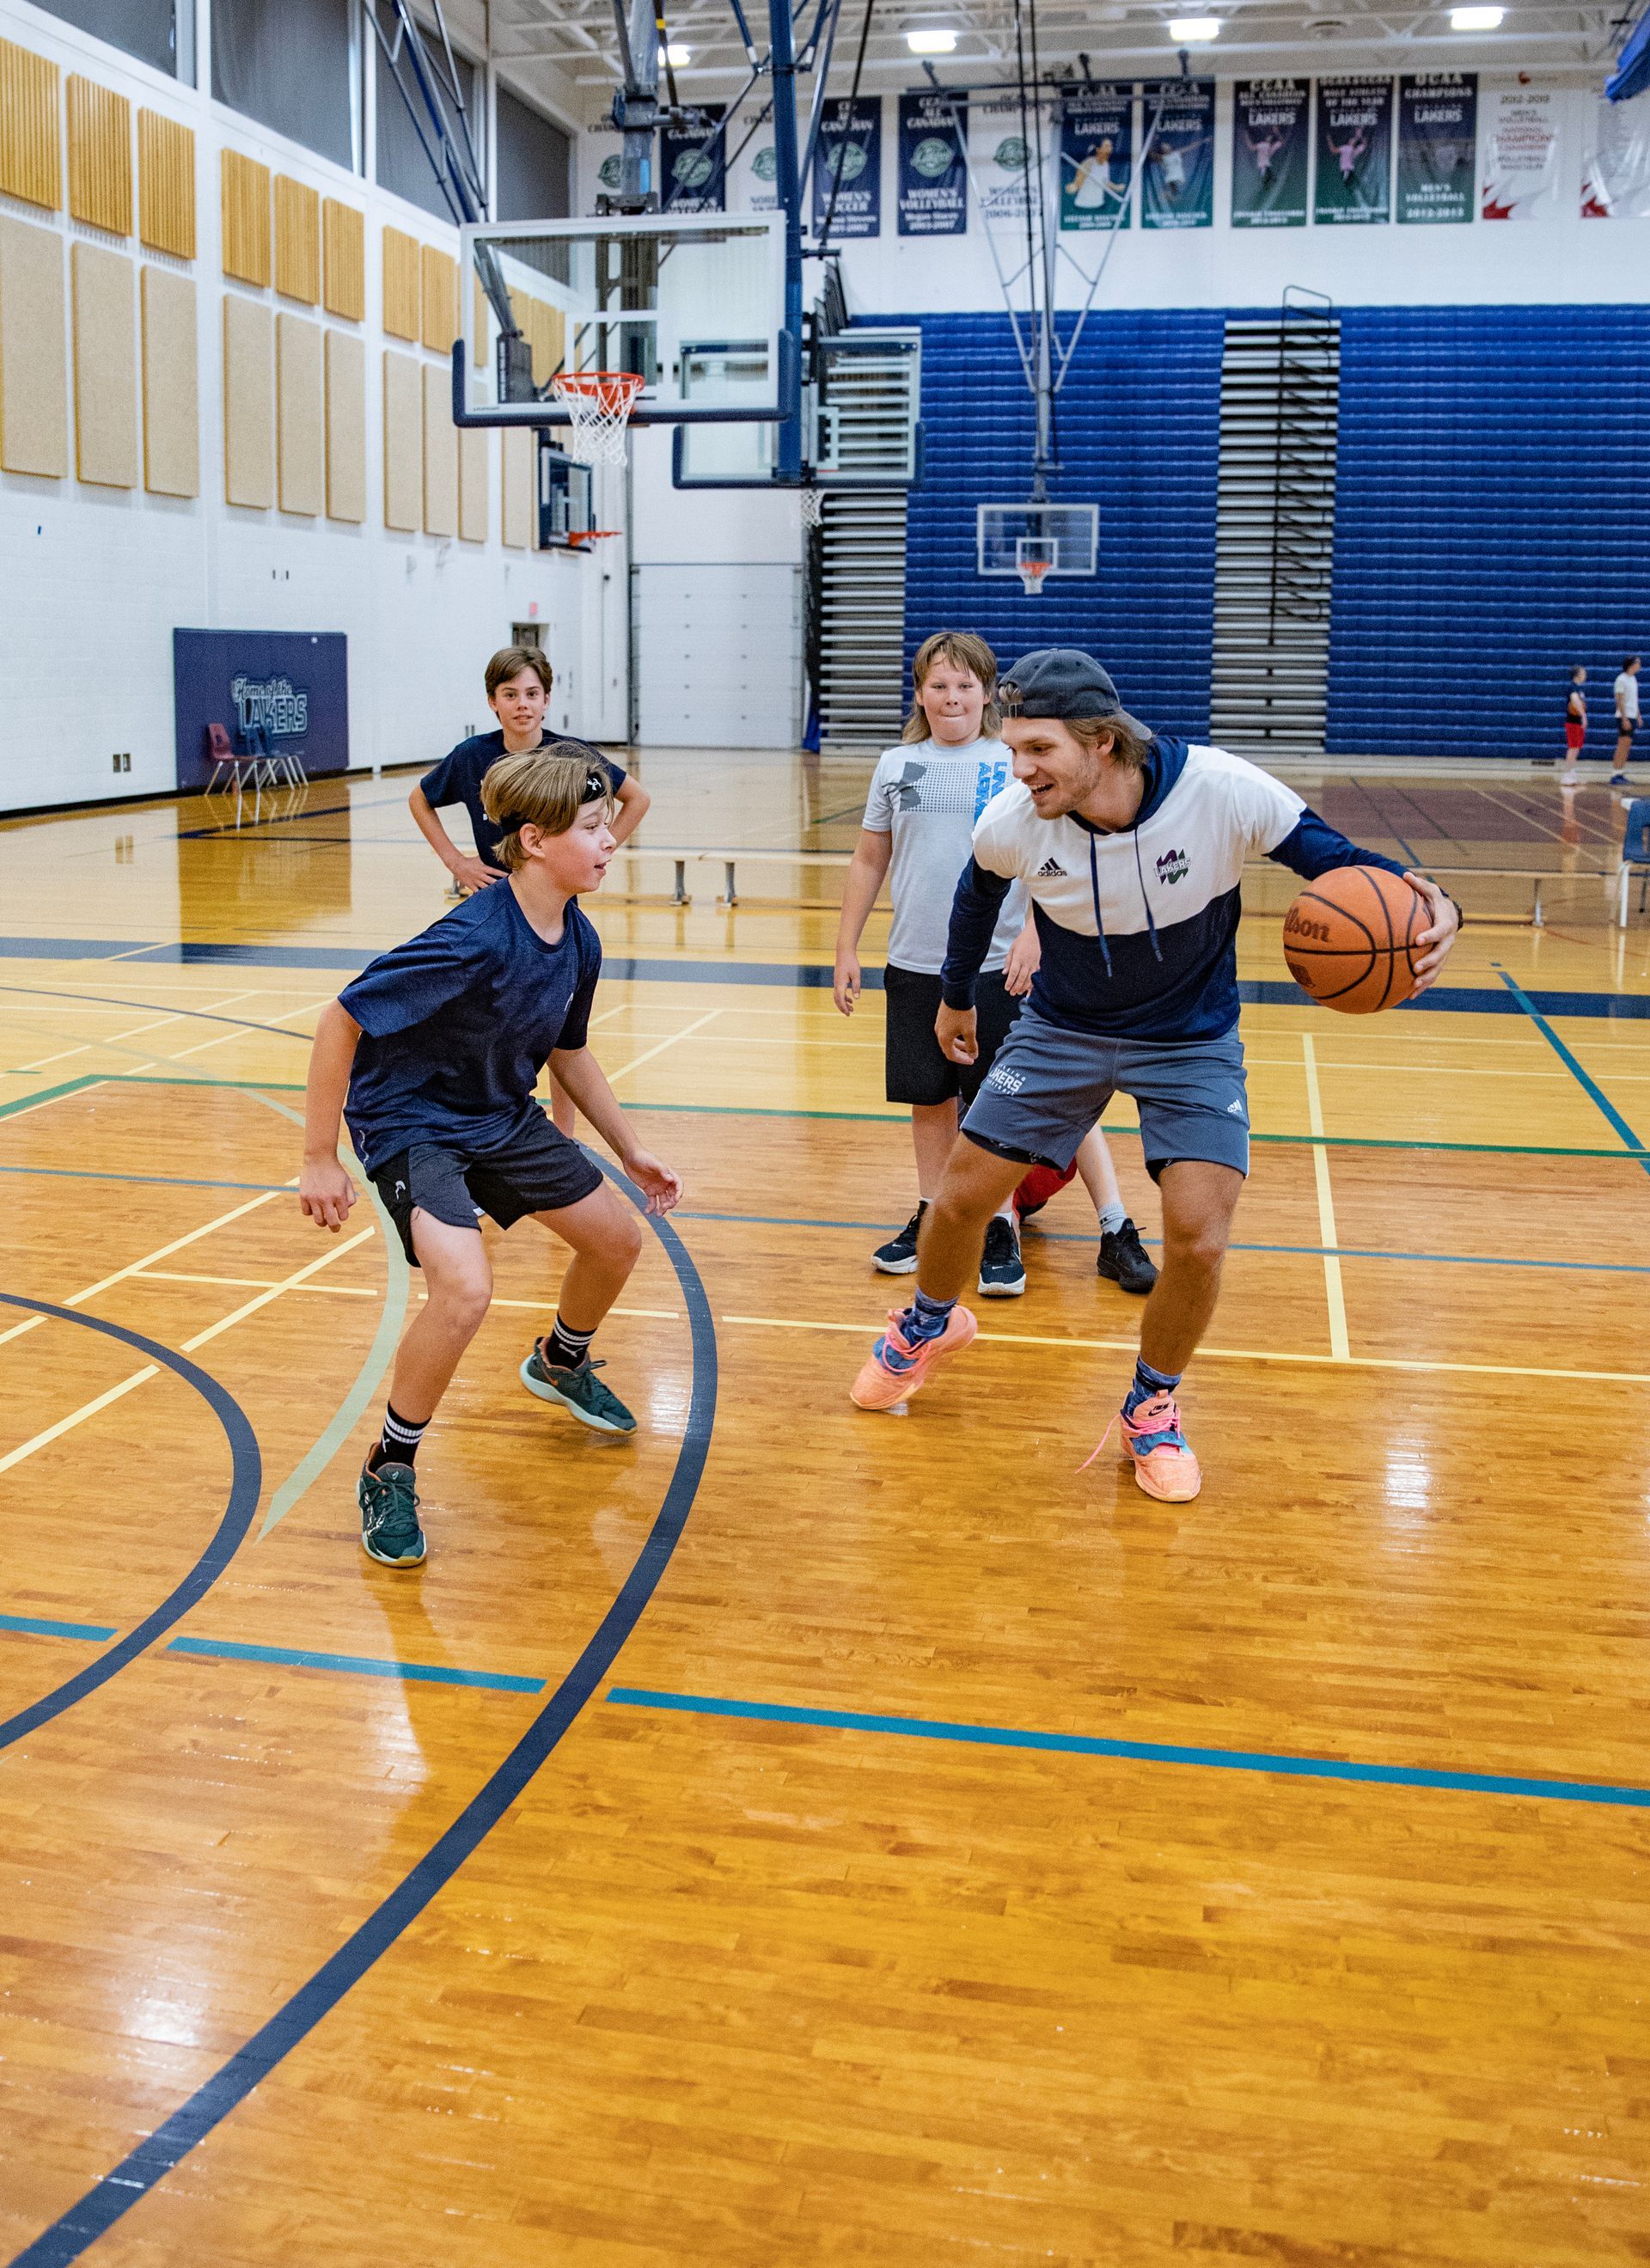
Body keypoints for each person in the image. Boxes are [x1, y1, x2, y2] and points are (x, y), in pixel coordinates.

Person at [849, 648, 1463, 1503]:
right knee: (957, 1199)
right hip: (1064, 1029)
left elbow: (1339, 859)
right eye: (1012, 747)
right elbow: (975, 894)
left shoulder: (1221, 790)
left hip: (1191, 1037)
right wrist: (955, 997)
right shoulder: (1016, 819)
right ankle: (926, 1324)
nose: (1017, 767)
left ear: (1103, 743)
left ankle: (1152, 1404)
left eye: (1037, 750)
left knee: (1199, 1237)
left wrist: (1437, 905)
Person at [300, 748, 682, 1570]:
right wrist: (317, 1156)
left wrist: (633, 1148)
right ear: (538, 841)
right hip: (413, 1125)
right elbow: (341, 1019)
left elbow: (568, 1052)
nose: (612, 839)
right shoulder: (471, 936)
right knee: (467, 1286)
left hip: (499, 1116)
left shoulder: (577, 939)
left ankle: (559, 1360)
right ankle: (389, 1465)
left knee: (618, 1240)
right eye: (592, 828)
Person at [834, 631, 1152, 1299]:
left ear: (988, 693)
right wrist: (846, 946)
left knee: (1009, 1098)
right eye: (939, 685)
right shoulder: (897, 765)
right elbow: (869, 859)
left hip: (1003, 962)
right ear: (920, 693)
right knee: (931, 1097)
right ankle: (933, 1211)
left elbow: (1053, 848)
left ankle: (1006, 1224)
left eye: (966, 685)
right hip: (918, 961)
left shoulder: (1013, 761)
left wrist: (1035, 929)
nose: (952, 697)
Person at [410, 646, 651, 1134]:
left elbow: (637, 798)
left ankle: (563, 1137)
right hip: (496, 910)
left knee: (563, 1032)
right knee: (488, 1023)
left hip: (553, 910)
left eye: (532, 693)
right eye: (510, 694)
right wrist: (457, 862)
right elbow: (420, 798)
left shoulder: (570, 757)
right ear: (492, 702)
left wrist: (596, 849)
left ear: (547, 700)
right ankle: (479, 1123)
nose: (522, 703)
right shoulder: (472, 757)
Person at [1612, 654, 1641, 785]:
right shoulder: (1621, 679)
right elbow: (1619, 699)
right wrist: (1624, 718)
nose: (1640, 666)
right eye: (1638, 663)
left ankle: (1620, 773)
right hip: (1625, 716)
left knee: (1627, 746)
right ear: (1631, 664)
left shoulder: (1633, 679)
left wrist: (1638, 715)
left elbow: (1634, 699)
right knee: (1622, 745)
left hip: (1632, 715)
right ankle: (1615, 774)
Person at [1561, 664, 1587, 787]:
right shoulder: (1573, 688)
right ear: (1577, 674)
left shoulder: (1578, 688)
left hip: (1576, 722)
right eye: (1583, 672)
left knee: (1576, 748)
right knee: (1573, 748)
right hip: (1572, 722)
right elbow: (1575, 700)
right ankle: (1566, 776)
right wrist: (1583, 715)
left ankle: (1571, 773)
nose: (1585, 675)